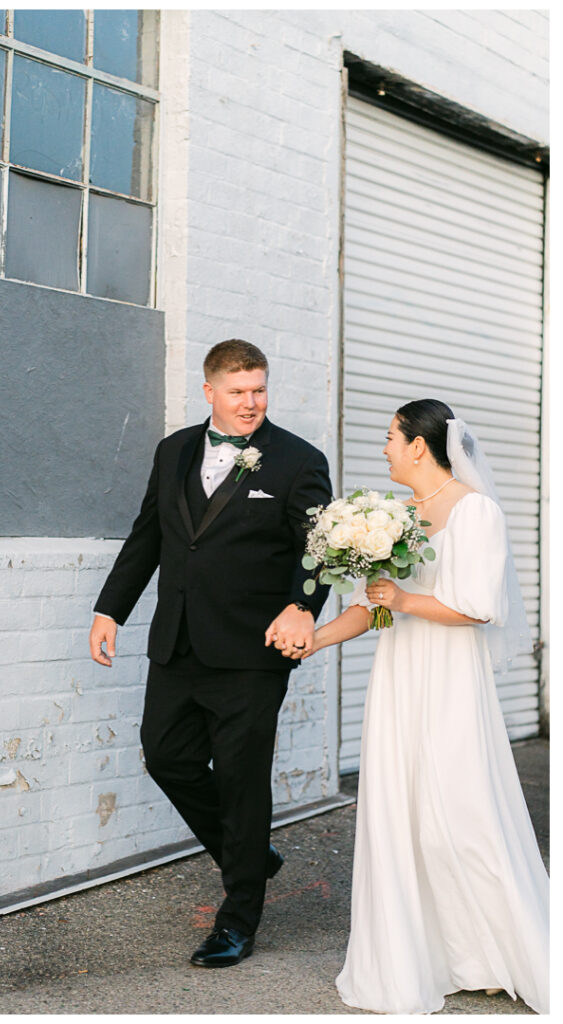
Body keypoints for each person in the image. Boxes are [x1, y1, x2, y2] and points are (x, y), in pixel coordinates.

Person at [297, 399, 549, 1014]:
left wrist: (404, 601)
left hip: (451, 682)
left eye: (390, 437)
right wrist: (312, 639)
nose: (383, 447)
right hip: (399, 679)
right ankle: (441, 957)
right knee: (403, 818)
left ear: (418, 445)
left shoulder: (476, 512)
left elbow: (476, 608)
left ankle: (505, 952)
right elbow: (371, 606)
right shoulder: (395, 516)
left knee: (464, 816)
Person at [89, 339, 332, 968]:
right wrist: (109, 609)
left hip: (253, 651)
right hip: (178, 640)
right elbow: (150, 535)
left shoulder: (299, 461)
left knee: (244, 779)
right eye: (237, 391)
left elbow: (319, 551)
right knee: (166, 756)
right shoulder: (172, 450)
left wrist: (303, 606)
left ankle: (238, 918)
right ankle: (250, 852)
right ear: (210, 393)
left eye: (259, 389)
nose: (251, 403)